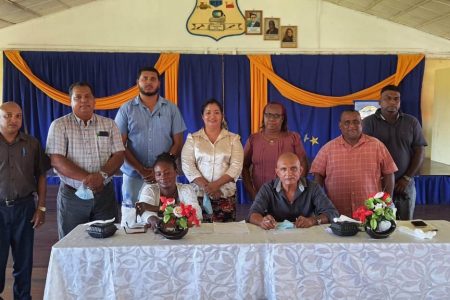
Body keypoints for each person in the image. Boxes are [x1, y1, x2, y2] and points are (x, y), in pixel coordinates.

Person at [46, 82, 125, 238]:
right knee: (71, 244)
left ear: (94, 100)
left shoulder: (109, 124)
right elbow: (56, 160)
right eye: (78, 97)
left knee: (107, 243)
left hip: (105, 197)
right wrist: (89, 179)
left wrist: (101, 176)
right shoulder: (59, 125)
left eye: (87, 96)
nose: (83, 100)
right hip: (72, 197)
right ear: (70, 101)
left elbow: (119, 155)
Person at [115, 67, 186, 224]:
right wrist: (140, 169)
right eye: (144, 79)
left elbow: (178, 142)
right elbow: (119, 144)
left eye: (152, 79)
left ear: (158, 83)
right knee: (131, 216)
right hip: (134, 175)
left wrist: (160, 171)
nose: (148, 82)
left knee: (166, 214)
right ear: (137, 83)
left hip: (164, 176)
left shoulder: (171, 108)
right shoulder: (126, 109)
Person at [0, 102, 50, 300]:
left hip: (24, 209)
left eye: (18, 116)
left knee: (24, 261)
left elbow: (42, 176)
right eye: (8, 115)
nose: (14, 120)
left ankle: (23, 297)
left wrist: (42, 208)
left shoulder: (32, 143)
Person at [310, 110, 398, 217]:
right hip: (337, 214)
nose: (352, 126)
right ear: (340, 125)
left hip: (371, 213)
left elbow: (389, 173)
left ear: (361, 123)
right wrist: (319, 204)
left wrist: (386, 202)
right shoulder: (327, 149)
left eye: (356, 122)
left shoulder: (377, 146)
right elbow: (317, 176)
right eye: (347, 122)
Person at [363, 85, 427, 220]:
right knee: (378, 222)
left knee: (405, 223)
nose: (392, 102)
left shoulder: (412, 122)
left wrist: (407, 178)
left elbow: (420, 151)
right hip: (377, 184)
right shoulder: (367, 123)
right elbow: (362, 153)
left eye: (396, 99)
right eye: (388, 98)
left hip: (405, 184)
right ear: (379, 102)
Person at [181, 99, 243, 222]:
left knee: (225, 234)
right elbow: (187, 165)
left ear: (222, 116)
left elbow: (236, 166)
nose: (212, 116)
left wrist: (216, 185)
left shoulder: (233, 139)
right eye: (208, 112)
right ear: (202, 116)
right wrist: (207, 187)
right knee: (198, 234)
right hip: (198, 195)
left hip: (225, 194)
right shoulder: (192, 138)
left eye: (216, 112)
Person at [247, 152, 338, 230]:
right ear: (277, 172)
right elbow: (252, 214)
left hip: (306, 237)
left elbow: (332, 213)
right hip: (275, 236)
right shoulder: (268, 188)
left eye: (294, 168)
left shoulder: (313, 188)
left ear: (300, 171)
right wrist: (262, 221)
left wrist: (312, 220)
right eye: (283, 169)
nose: (289, 173)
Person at [242, 102, 308, 200]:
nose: (271, 119)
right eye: (268, 115)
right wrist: (252, 192)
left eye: (276, 116)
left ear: (282, 119)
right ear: (263, 117)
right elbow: (243, 166)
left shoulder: (293, 138)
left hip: (288, 198)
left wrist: (295, 190)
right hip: (261, 197)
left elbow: (303, 164)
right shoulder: (253, 139)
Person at [127, 153, 202, 228]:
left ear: (176, 172)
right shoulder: (149, 189)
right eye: (158, 174)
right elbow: (145, 213)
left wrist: (158, 209)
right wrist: (155, 222)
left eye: (167, 173)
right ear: (154, 176)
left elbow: (197, 213)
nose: (163, 177)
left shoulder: (187, 189)